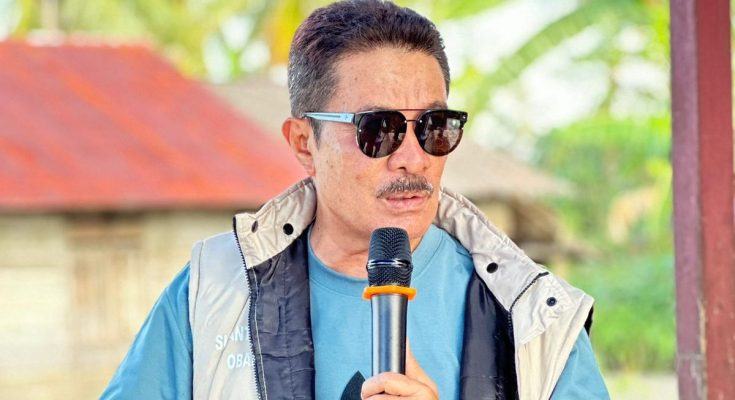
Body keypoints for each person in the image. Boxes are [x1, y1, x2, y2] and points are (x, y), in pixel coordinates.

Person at [101, 1, 609, 399]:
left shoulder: (535, 317)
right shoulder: (213, 291)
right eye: (378, 129)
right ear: (305, 143)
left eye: (433, 126)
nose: (413, 158)